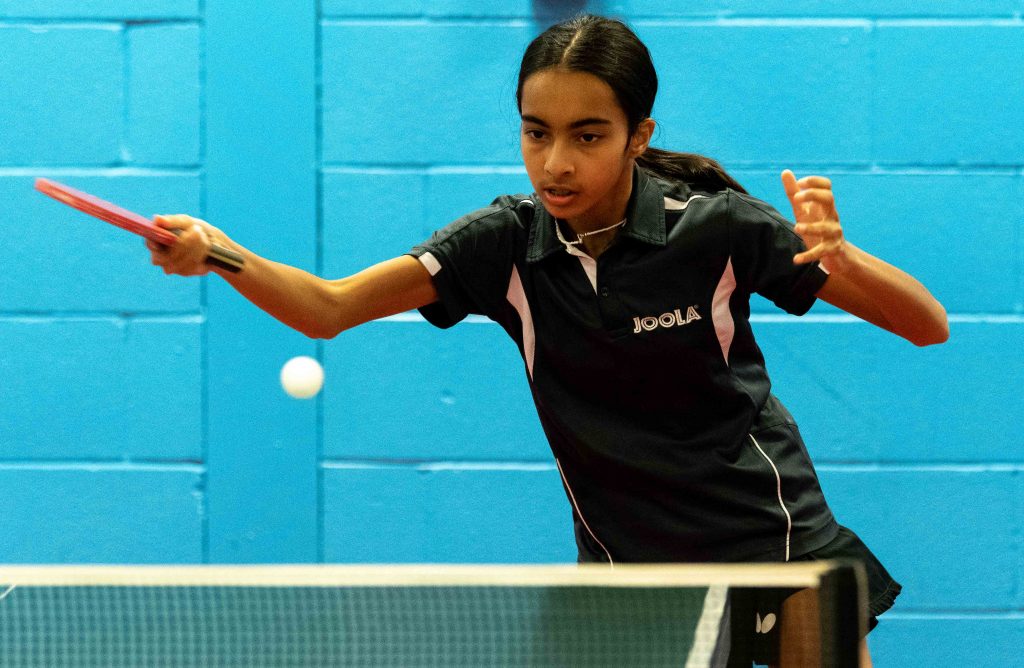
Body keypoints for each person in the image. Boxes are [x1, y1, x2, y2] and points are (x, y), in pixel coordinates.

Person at [148, 14, 948, 667]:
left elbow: (926, 325)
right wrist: (218, 253)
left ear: (639, 135)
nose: (555, 164)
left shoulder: (717, 229)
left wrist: (844, 260)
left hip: (774, 544)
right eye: (537, 133)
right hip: (629, 572)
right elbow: (327, 308)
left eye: (587, 136)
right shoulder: (504, 246)